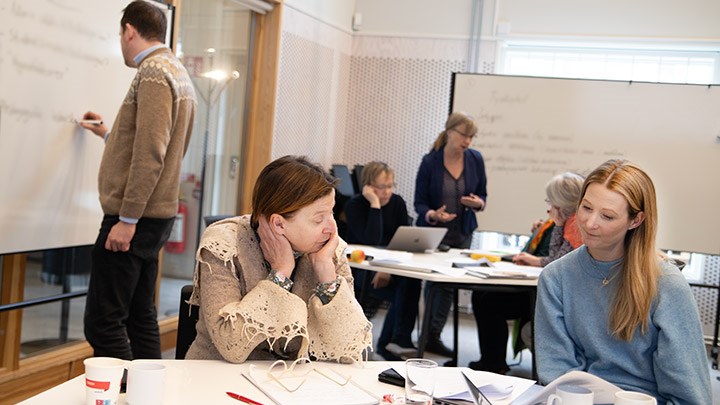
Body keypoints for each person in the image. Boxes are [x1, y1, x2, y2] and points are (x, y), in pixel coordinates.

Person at [535, 159, 710, 403]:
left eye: (607, 216)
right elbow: (558, 374)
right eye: (586, 208)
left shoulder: (666, 284)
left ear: (635, 221)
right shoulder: (555, 278)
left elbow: (689, 393)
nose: (589, 223)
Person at [80, 1, 196, 360]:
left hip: (134, 218)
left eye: (120, 34)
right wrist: (109, 134)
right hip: (155, 214)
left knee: (103, 321)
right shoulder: (177, 71)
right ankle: (149, 393)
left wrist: (127, 219)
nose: (120, 41)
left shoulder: (152, 72)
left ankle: (123, 393)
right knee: (139, 316)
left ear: (129, 30)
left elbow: (151, 152)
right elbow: (152, 141)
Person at [185, 156, 373, 363]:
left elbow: (351, 351)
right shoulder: (225, 244)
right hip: (216, 379)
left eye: (331, 213)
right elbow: (230, 345)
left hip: (294, 384)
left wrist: (327, 277)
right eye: (319, 219)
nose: (331, 228)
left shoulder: (329, 251)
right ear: (279, 224)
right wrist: (280, 273)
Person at [469, 172, 584, 374]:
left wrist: (556, 224)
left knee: (489, 301)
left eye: (551, 200)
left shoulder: (576, 225)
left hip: (554, 298)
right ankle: (491, 360)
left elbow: (556, 263)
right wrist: (557, 223)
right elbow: (555, 256)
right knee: (481, 295)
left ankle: (494, 364)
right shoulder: (567, 221)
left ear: (562, 201)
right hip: (548, 291)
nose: (549, 206)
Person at [414, 111, 487, 358]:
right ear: (450, 132)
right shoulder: (430, 161)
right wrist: (433, 214)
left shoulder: (475, 159)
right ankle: (428, 335)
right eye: (464, 135)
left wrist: (477, 203)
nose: (467, 141)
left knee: (450, 284)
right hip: (435, 232)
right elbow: (419, 203)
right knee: (435, 283)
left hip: (463, 231)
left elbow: (483, 195)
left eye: (471, 136)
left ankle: (434, 334)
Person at [344, 162, 422, 360]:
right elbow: (372, 240)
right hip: (361, 267)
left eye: (390, 186)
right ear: (368, 186)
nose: (387, 192)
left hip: (390, 265)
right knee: (401, 291)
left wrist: (387, 268)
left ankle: (396, 340)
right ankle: (390, 343)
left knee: (412, 281)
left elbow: (403, 240)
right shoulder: (355, 205)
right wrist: (375, 205)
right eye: (381, 187)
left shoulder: (397, 203)